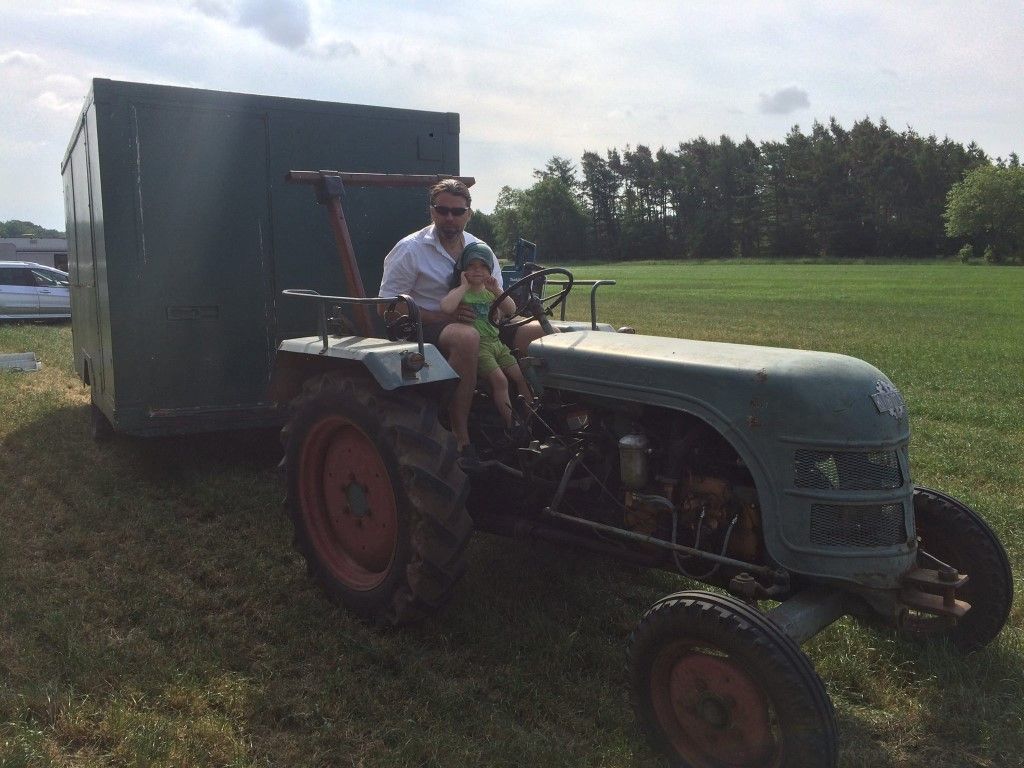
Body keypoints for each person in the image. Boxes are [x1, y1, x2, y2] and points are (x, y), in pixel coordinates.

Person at [441, 242, 532, 433]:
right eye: (472, 266)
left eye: (483, 266)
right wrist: (463, 286)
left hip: (497, 343)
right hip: (479, 347)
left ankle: (530, 416)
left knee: (521, 376)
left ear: (490, 270)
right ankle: (511, 425)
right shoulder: (461, 293)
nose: (477, 270)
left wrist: (497, 290)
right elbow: (446, 307)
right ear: (463, 270)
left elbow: (511, 309)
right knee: (500, 381)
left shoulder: (491, 292)